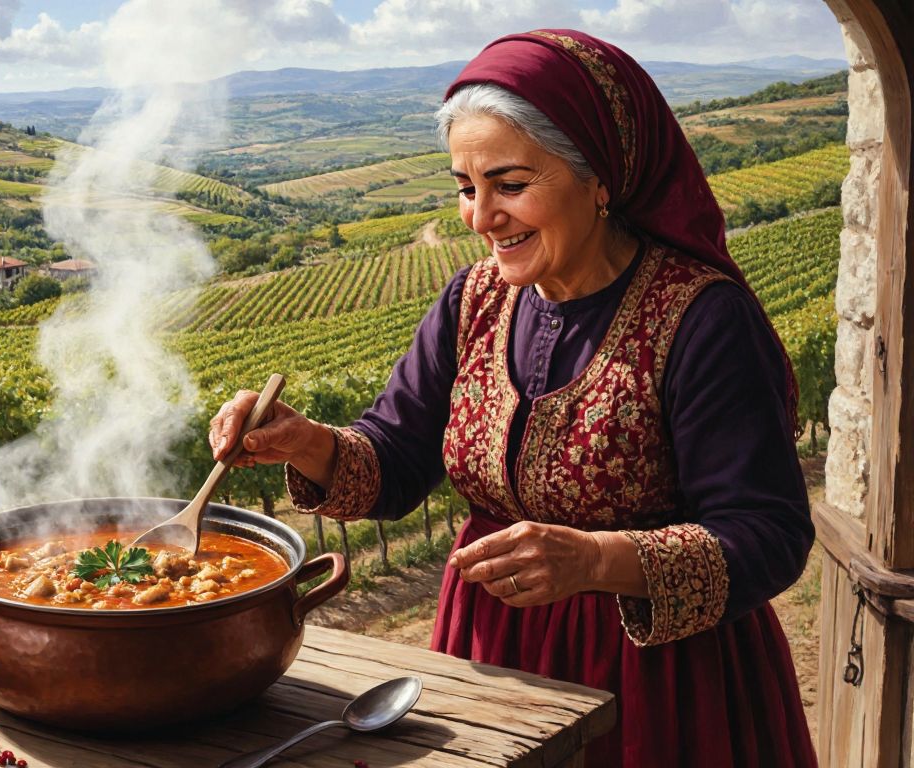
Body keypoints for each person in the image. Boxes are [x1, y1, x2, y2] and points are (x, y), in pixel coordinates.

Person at [210, 29, 816, 767]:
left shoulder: (702, 319)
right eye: (467, 189)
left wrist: (597, 561)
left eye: (511, 184)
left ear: (601, 180)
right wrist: (306, 442)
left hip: (658, 687)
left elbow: (769, 533)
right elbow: (397, 458)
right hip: (490, 657)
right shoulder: (473, 302)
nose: (480, 216)